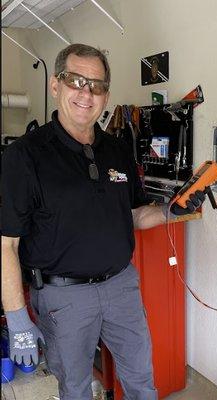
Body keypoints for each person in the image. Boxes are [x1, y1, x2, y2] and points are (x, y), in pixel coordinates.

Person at [1, 43, 205, 400]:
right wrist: (17, 318)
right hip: (63, 299)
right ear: (55, 85)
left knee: (142, 381)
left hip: (121, 287)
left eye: (95, 85)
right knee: (76, 390)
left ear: (105, 95)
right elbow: (7, 243)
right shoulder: (24, 155)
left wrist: (175, 208)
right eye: (75, 81)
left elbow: (136, 215)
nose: (85, 93)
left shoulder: (117, 149)